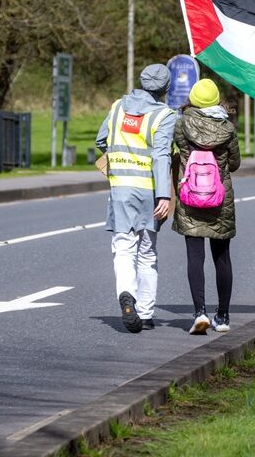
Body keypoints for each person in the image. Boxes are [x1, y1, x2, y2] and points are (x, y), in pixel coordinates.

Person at [96, 64, 177, 333]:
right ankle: (144, 312)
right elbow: (161, 155)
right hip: (150, 192)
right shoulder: (165, 115)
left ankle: (126, 295)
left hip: (120, 189)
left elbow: (101, 140)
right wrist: (164, 194)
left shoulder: (118, 106)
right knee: (147, 252)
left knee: (123, 248)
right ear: (165, 89)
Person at [172, 78, 240, 335]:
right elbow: (234, 164)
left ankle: (199, 312)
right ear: (215, 100)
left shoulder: (182, 124)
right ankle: (222, 316)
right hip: (219, 198)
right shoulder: (228, 128)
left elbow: (178, 151)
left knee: (194, 257)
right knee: (222, 257)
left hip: (191, 195)